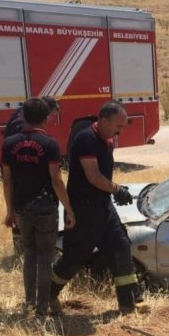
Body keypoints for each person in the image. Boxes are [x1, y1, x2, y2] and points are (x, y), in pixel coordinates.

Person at [50, 100, 142, 315]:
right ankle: (47, 295)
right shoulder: (86, 139)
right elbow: (93, 176)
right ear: (103, 120)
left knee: (120, 247)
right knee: (74, 257)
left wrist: (112, 192)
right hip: (84, 209)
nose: (119, 132)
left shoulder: (106, 138)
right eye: (118, 126)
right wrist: (116, 189)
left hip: (103, 207)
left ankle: (129, 304)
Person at [1, 98, 76, 317]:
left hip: (21, 208)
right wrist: (68, 208)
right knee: (45, 256)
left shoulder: (8, 144)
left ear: (23, 116)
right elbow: (56, 180)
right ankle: (43, 306)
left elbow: (7, 181)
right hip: (45, 207)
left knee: (29, 254)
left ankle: (29, 302)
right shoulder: (50, 144)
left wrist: (9, 211)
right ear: (47, 118)